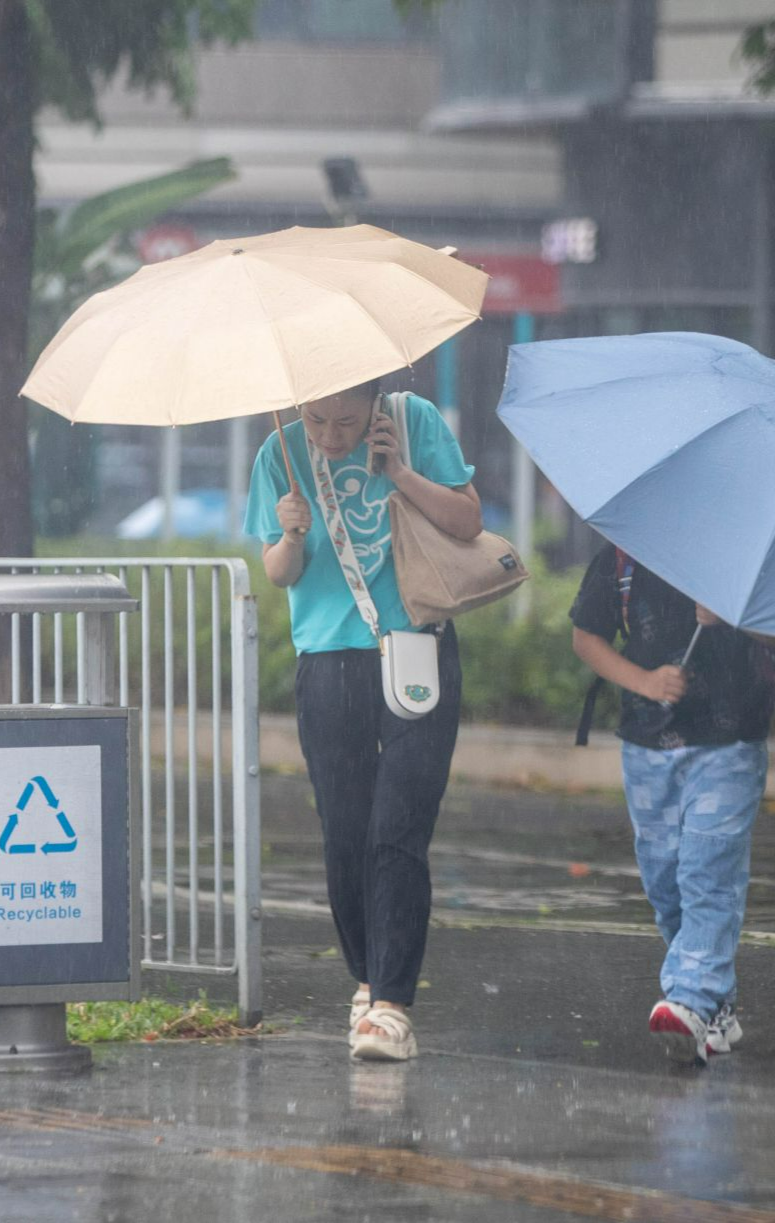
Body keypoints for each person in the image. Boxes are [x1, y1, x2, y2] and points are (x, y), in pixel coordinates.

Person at [245, 377, 481, 1062]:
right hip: (329, 658)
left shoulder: (415, 422)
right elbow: (280, 571)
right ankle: (369, 974)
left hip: (417, 648)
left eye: (345, 421)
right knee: (345, 832)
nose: (329, 435)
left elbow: (467, 520)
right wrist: (291, 535)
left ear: (373, 404)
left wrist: (400, 472)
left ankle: (391, 1004)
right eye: (316, 419)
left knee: (398, 829)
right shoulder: (279, 453)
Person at [569, 542, 775, 1065]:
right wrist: (644, 681)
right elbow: (586, 636)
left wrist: (735, 614)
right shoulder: (626, 551)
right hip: (647, 744)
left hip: (730, 741)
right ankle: (716, 1004)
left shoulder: (747, 549)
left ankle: (687, 997)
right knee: (665, 881)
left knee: (706, 870)